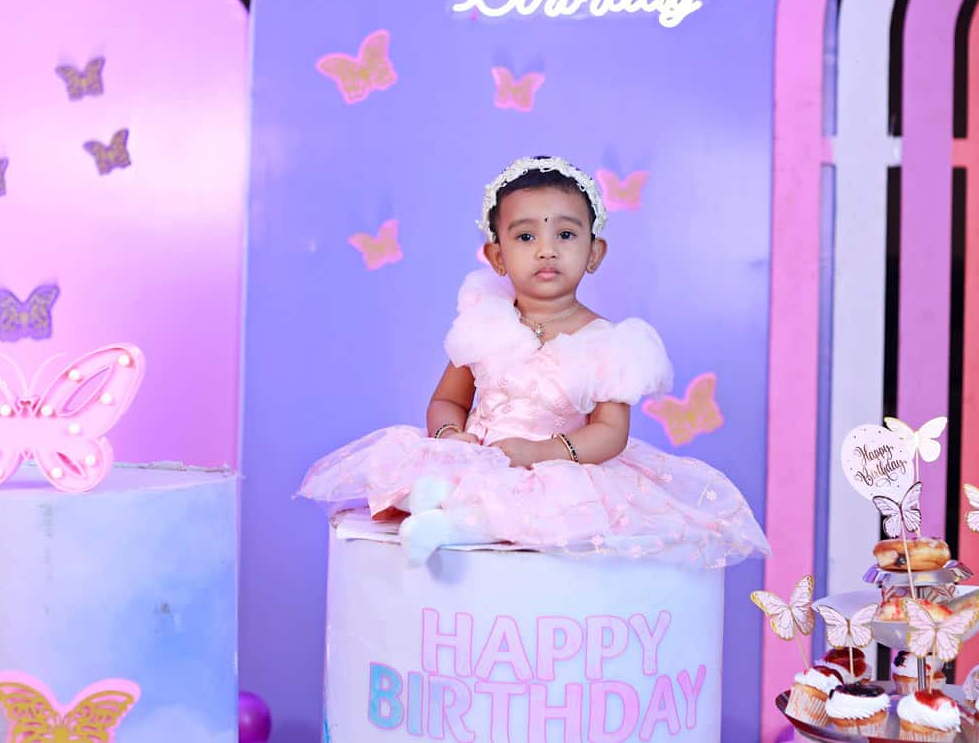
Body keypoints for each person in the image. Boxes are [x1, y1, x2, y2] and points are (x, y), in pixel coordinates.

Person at [298, 156, 769, 568]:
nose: (546, 249)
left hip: (552, 464)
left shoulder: (609, 342)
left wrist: (538, 453)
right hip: (478, 454)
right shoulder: (486, 322)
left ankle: (451, 525)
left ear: (594, 251)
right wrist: (448, 435)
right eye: (525, 236)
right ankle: (442, 508)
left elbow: (610, 432)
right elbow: (446, 399)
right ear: (497, 257)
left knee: (534, 509)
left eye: (565, 233)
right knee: (440, 472)